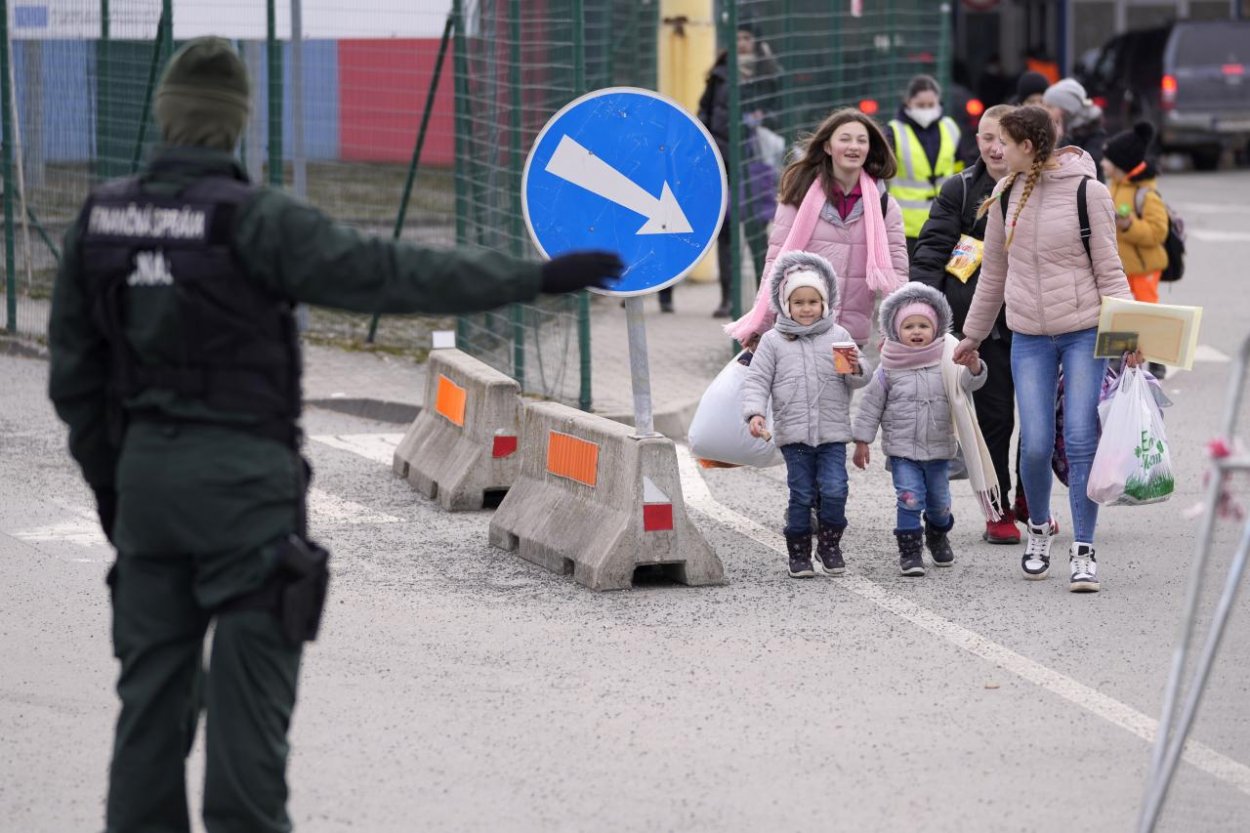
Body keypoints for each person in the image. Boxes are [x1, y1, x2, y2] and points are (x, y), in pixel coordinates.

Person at [46, 37, 623, 833]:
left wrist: (119, 486)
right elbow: (392, 274)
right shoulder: (259, 222)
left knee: (147, 709)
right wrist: (533, 276)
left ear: (166, 117)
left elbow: (74, 381)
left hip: (147, 485)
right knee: (249, 722)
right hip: (246, 493)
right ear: (235, 123)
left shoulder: (102, 218)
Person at [953, 105, 1132, 593]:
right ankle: (1038, 532)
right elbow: (992, 274)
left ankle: (1085, 550)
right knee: (1033, 445)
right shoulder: (1005, 193)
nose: (994, 150)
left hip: (1083, 332)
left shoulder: (1087, 192)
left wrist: (1132, 338)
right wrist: (971, 336)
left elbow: (1110, 270)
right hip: (1028, 335)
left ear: (1027, 147)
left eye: (1003, 143)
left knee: (1078, 438)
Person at [910, 103, 1026, 545]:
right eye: (986, 138)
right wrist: (921, 313)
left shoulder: (1041, 187)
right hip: (983, 329)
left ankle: (1030, 503)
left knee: (1037, 427)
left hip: (1038, 322)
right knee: (995, 420)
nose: (995, 148)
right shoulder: (960, 190)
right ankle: (998, 508)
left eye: (1004, 139)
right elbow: (931, 254)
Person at [726, 108, 908, 348]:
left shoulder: (885, 206)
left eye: (861, 141)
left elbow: (897, 272)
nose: (854, 146)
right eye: (845, 139)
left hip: (849, 339)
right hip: (800, 331)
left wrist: (893, 331)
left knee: (842, 386)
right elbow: (776, 264)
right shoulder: (798, 198)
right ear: (828, 147)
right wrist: (760, 325)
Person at [741, 251, 869, 578]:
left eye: (813, 301)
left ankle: (829, 544)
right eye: (798, 302)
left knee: (835, 489)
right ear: (786, 305)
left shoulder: (838, 337)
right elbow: (757, 379)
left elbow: (857, 379)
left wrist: (857, 366)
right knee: (800, 493)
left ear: (824, 304)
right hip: (794, 434)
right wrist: (755, 413)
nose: (806, 308)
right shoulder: (773, 341)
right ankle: (798, 552)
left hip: (832, 434)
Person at [852, 283, 987, 576]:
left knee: (940, 505)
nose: (916, 331)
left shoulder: (946, 360)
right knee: (909, 498)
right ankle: (910, 550)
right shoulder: (888, 367)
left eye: (923, 325)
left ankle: (937, 534)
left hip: (939, 450)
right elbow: (871, 405)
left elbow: (968, 385)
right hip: (903, 451)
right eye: (909, 326)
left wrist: (974, 368)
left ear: (935, 328)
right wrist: (862, 440)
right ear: (895, 330)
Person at [691, 14, 781, 318]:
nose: (742, 43)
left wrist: (764, 120)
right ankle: (728, 298)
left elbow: (783, 113)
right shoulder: (719, 75)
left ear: (756, 42)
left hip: (755, 161)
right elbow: (704, 111)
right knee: (726, 229)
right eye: (738, 37)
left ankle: (763, 298)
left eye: (747, 37)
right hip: (723, 159)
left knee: (757, 231)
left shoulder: (769, 74)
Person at [1102, 121, 1171, 379]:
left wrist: (1130, 224)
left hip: (1144, 266)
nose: (1103, 164)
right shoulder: (1114, 186)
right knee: (1120, 310)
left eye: (1108, 161)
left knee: (1147, 311)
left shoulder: (1146, 194)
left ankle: (1156, 357)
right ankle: (1120, 357)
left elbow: (1157, 232)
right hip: (1121, 265)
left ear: (1122, 164)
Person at [886, 74, 963, 256]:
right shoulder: (894, 131)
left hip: (945, 221)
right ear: (908, 102)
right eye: (921, 105)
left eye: (931, 105)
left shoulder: (950, 127)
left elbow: (960, 168)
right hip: (907, 227)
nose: (926, 110)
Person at [1043, 78, 1107, 182]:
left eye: (1050, 107)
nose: (1045, 111)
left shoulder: (1094, 133)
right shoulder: (1051, 129)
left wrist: (1062, 139)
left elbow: (1087, 165)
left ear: (1067, 110)